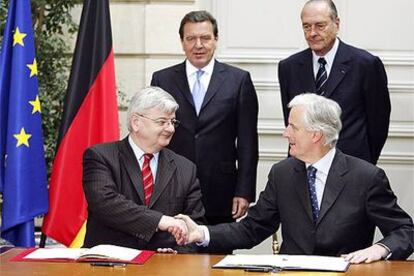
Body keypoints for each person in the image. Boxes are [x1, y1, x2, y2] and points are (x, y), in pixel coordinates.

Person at [173, 93, 414, 263]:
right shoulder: (282, 173)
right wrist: (202, 234)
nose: (285, 133)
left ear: (316, 135)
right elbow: (252, 228)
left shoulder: (366, 177)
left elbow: (405, 230)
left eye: (292, 127)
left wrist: (381, 249)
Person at [151, 11, 259, 225]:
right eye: (191, 38)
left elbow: (248, 142)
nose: (198, 45)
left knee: (217, 255)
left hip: (222, 192)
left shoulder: (239, 81)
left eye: (205, 38)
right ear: (182, 42)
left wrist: (244, 191)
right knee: (170, 255)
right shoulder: (162, 79)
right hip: (172, 188)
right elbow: (152, 135)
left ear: (216, 40)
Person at [82, 86, 205, 252]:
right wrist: (159, 220)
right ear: (136, 123)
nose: (170, 129)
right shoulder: (100, 156)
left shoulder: (186, 168)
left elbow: (194, 227)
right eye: (162, 122)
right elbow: (105, 203)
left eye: (172, 122)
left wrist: (177, 254)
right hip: (108, 264)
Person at [278, 0, 390, 165]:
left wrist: (364, 164)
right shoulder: (289, 67)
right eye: (306, 26)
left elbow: (378, 124)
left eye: (320, 25)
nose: (312, 33)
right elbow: (292, 122)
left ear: (336, 24)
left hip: (351, 167)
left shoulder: (365, 65)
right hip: (302, 167)